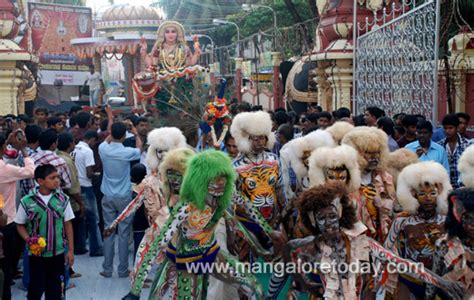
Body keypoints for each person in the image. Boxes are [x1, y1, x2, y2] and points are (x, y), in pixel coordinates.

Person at [122, 150, 264, 300]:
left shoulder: (226, 194)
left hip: (211, 253)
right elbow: (157, 244)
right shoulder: (186, 206)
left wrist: (262, 236)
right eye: (214, 180)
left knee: (256, 287)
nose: (219, 184)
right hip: (186, 261)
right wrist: (135, 290)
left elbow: (246, 209)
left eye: (223, 178)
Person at [384, 161, 452, 298]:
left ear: (439, 194)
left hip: (440, 279)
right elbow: (387, 249)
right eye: (422, 194)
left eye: (432, 193)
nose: (428, 198)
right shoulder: (402, 220)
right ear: (413, 195)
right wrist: (399, 266)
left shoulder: (446, 220)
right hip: (411, 279)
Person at [230, 110, 287, 262]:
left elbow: (280, 188)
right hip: (247, 223)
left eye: (262, 138)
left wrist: (285, 213)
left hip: (273, 218)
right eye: (255, 139)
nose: (260, 142)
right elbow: (233, 198)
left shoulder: (274, 160)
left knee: (278, 264)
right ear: (245, 140)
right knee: (246, 262)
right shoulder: (234, 166)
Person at [15, 164, 75, 300]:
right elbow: (20, 225)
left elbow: (68, 224)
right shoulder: (27, 201)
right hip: (36, 255)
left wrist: (70, 250)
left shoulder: (63, 199)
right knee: (35, 288)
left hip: (58, 253)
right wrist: (28, 240)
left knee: (56, 289)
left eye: (58, 177)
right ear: (40, 181)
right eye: (52, 177)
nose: (57, 180)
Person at [99, 122, 142, 278]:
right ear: (124, 136)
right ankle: (123, 270)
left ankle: (107, 269)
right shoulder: (127, 152)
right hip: (124, 197)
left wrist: (112, 124)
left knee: (108, 232)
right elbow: (140, 148)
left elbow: (109, 139)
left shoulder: (103, 149)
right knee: (124, 234)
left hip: (108, 196)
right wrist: (135, 132)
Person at [342, 126, 396, 242]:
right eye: (369, 153)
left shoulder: (384, 178)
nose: (374, 157)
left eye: (377, 153)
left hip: (379, 235)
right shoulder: (344, 178)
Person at [0, 131, 35, 300]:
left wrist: (7, 142)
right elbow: (30, 171)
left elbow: (8, 158)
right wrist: (24, 150)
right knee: (5, 264)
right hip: (6, 221)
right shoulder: (4, 169)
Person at [428, 188, 474, 299]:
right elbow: (433, 280)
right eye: (468, 218)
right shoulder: (445, 245)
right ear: (458, 218)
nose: (473, 225)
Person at [73, 130, 103, 257]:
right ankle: (95, 248)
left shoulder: (74, 149)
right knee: (93, 219)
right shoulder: (88, 151)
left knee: (80, 217)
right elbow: (89, 173)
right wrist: (97, 175)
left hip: (76, 186)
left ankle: (79, 246)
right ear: (91, 139)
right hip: (86, 185)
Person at [56, 133, 86, 255]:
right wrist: (81, 203)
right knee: (70, 232)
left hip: (63, 200)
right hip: (71, 202)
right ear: (70, 144)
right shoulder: (67, 161)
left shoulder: (58, 156)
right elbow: (72, 187)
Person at [437, 113, 471, 189]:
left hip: (463, 188)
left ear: (457, 128)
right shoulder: (439, 146)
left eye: (450, 128)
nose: (447, 131)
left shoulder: (467, 145)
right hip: (445, 188)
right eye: (445, 128)